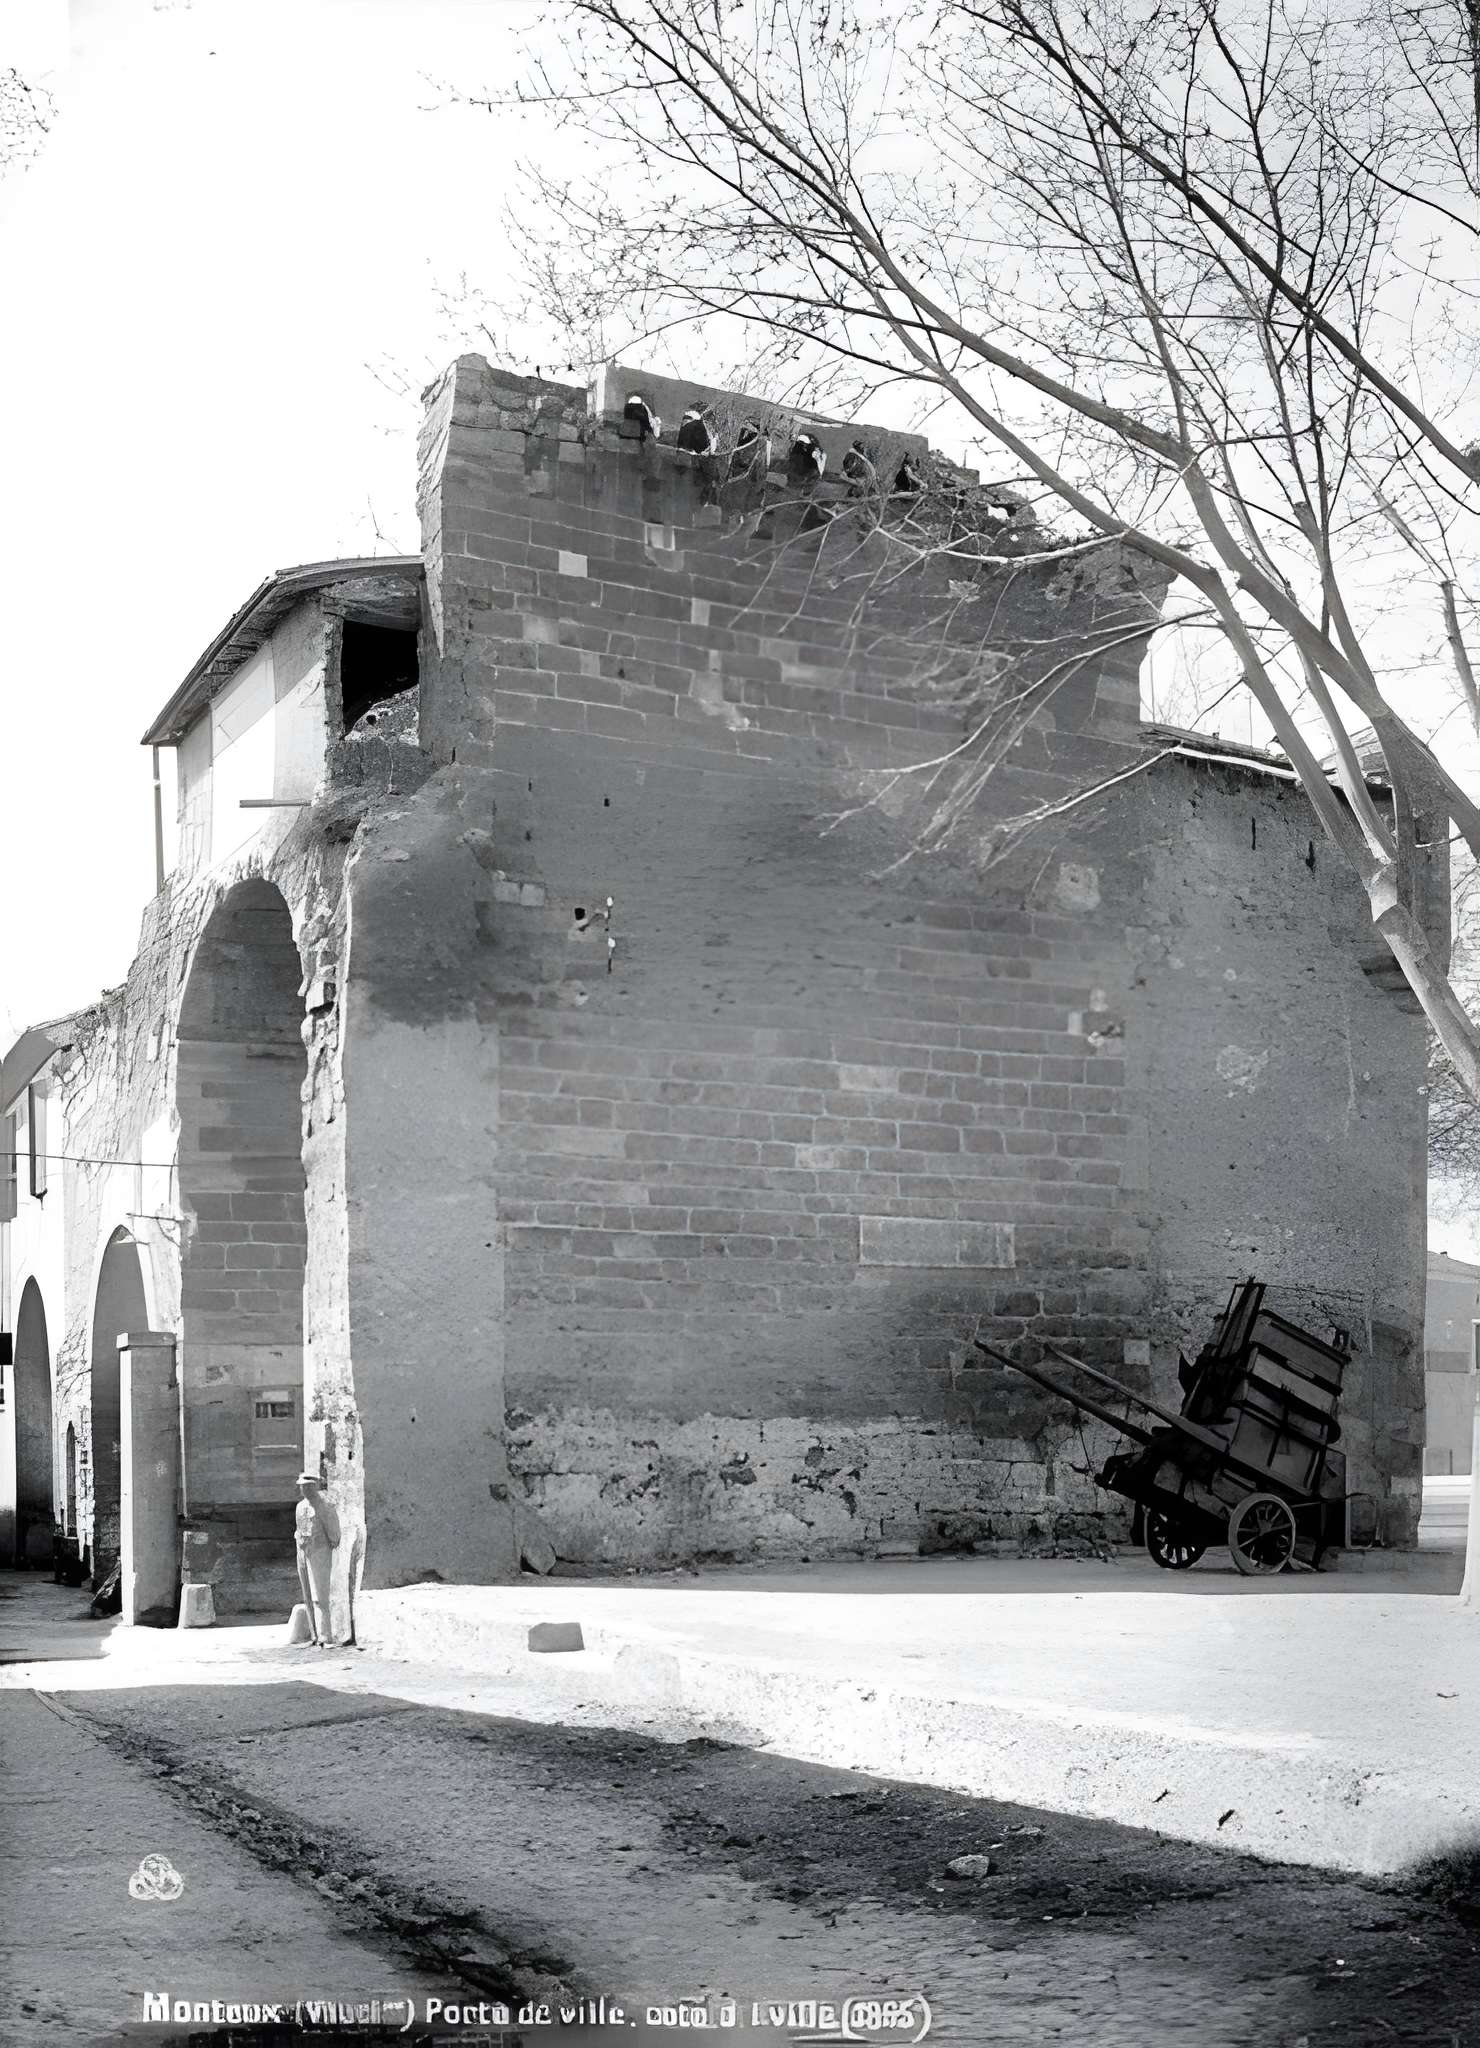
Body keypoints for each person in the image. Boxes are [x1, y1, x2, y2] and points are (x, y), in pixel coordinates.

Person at [293, 1469, 339, 1647]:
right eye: (302, 1487)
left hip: (319, 1551)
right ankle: (314, 1635)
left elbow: (335, 1534)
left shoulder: (325, 1507)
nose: (304, 1490)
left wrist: (326, 1545)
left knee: (320, 1595)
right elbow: (299, 1527)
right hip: (303, 1550)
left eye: (307, 1486)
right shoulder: (300, 1507)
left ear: (315, 1487)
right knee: (307, 1594)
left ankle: (326, 1635)